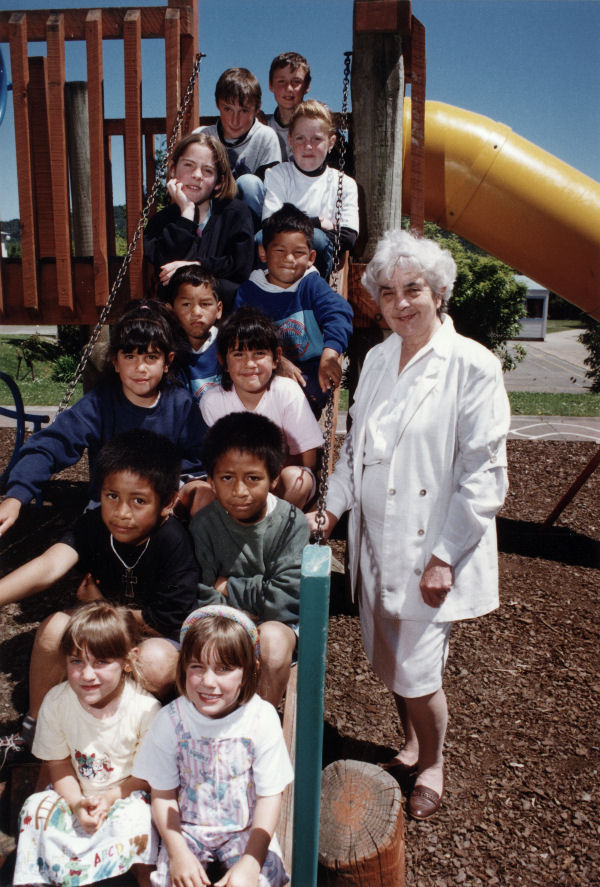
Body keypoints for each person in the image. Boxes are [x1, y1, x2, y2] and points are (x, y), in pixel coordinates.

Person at [307, 230, 510, 820]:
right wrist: (334, 508)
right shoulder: (375, 360)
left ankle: (435, 761)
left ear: (438, 291)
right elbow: (352, 454)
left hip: (428, 548)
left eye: (413, 289)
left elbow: (484, 476)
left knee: (419, 672)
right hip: (376, 542)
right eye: (389, 292)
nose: (401, 303)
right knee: (391, 657)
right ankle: (413, 744)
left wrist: (446, 555)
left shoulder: (472, 364)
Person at [0, 430, 199, 756]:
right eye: (112, 496)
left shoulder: (173, 542)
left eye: (139, 501)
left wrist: (101, 603)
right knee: (53, 629)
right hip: (110, 624)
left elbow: (168, 619)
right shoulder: (94, 525)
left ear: (167, 503)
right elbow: (50, 565)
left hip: (155, 637)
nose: (122, 512)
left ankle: (120, 743)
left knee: (157, 662)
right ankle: (34, 729)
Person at [0, 299, 206, 537]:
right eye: (130, 357)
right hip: (111, 510)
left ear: (167, 361)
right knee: (65, 554)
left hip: (162, 508)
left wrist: (177, 497)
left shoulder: (181, 404)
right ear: (115, 362)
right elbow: (51, 444)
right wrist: (16, 496)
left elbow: (199, 461)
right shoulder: (99, 404)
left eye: (150, 357)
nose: (140, 368)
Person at [132, 605, 293, 887]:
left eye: (224, 669)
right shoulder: (171, 721)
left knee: (262, 879)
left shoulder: (261, 718)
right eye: (197, 667)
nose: (208, 682)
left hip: (245, 829)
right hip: (187, 829)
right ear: (183, 667)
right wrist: (177, 851)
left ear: (248, 671)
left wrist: (251, 862)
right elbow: (163, 794)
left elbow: (270, 797)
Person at [12, 602, 161, 887]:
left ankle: (144, 878)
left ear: (128, 660)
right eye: (76, 661)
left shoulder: (145, 710)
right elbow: (58, 764)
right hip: (77, 796)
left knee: (139, 817)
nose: (87, 674)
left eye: (101, 662)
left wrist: (108, 799)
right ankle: (38, 877)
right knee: (36, 805)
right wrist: (78, 803)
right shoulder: (57, 701)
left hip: (124, 797)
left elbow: (145, 778)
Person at [190, 413, 310, 707]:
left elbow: (286, 599)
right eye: (227, 478)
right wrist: (254, 597)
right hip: (219, 625)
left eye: (253, 479)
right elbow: (199, 593)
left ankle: (261, 723)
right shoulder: (204, 524)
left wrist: (230, 586)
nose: (240, 491)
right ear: (210, 480)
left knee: (271, 639)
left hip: (278, 628)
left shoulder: (292, 524)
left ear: (273, 479)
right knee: (206, 640)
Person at [234, 204, 353, 417]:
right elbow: (242, 333)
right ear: (263, 252)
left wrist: (330, 351)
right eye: (280, 250)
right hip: (263, 366)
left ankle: (300, 442)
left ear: (311, 258)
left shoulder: (311, 285)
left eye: (298, 253)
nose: (289, 259)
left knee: (304, 400)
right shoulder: (250, 291)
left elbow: (338, 311)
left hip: (309, 367)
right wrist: (275, 363)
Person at [200, 307, 324, 509]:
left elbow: (308, 460)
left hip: (281, 483)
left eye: (259, 353)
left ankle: (275, 535)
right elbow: (214, 463)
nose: (250, 364)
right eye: (238, 354)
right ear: (223, 361)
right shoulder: (213, 401)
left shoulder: (287, 392)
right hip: (235, 484)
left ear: (276, 358)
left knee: (296, 479)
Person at [143, 131, 254, 311]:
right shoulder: (160, 222)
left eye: (207, 170)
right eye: (189, 165)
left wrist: (197, 266)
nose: (197, 175)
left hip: (224, 310)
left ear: (219, 181)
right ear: (172, 169)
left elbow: (240, 266)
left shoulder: (235, 213)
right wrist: (186, 213)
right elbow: (167, 272)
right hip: (179, 312)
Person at [261, 100, 358, 278]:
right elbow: (269, 224)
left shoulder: (345, 183)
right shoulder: (278, 174)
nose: (308, 146)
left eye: (317, 139)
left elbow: (348, 236)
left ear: (331, 143)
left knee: (319, 239)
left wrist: (298, 233)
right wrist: (316, 223)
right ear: (290, 141)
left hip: (316, 264)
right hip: (279, 260)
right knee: (260, 239)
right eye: (300, 138)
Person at [195, 67, 282, 228]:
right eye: (227, 109)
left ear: (257, 108)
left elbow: (270, 193)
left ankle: (247, 247)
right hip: (211, 216)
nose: (235, 120)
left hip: (251, 221)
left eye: (244, 111)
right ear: (217, 104)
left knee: (249, 183)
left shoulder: (266, 136)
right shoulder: (202, 137)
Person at [165, 264, 223, 401]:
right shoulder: (167, 350)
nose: (196, 313)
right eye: (186, 304)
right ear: (171, 311)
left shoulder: (229, 344)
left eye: (205, 304)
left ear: (219, 309)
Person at [265, 52, 311, 161]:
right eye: (281, 81)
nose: (288, 88)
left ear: (307, 86)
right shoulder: (263, 127)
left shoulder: (318, 126)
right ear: (271, 85)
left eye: (296, 81)